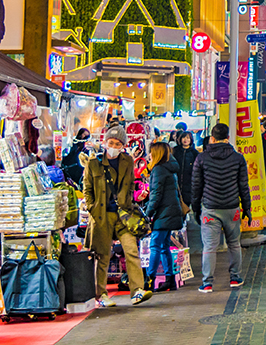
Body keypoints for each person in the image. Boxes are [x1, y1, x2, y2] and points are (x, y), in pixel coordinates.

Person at [82, 125, 150, 306]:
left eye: (117, 143)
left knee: (131, 250)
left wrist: (132, 200)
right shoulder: (93, 163)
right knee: (103, 255)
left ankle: (137, 291)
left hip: (123, 214)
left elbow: (129, 185)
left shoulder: (127, 161)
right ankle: (101, 295)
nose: (113, 146)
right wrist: (92, 208)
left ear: (123, 146)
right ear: (104, 143)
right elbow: (87, 189)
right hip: (102, 215)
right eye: (110, 142)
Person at [191, 122, 251, 293]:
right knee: (234, 243)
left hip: (210, 207)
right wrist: (247, 207)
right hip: (232, 206)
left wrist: (195, 208)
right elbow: (243, 186)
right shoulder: (238, 158)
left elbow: (196, 185)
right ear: (227, 138)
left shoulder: (201, 158)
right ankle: (235, 277)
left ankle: (207, 282)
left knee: (209, 246)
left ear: (212, 137)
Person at [144, 141, 186, 291]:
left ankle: (149, 280)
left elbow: (156, 195)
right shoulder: (170, 168)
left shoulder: (158, 170)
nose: (148, 155)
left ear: (156, 154)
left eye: (150, 152)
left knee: (155, 246)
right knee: (164, 246)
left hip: (163, 213)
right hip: (171, 211)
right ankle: (170, 280)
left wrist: (148, 213)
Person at [172, 132, 199, 214]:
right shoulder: (175, 151)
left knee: (186, 204)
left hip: (189, 184)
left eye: (188, 138)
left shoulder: (194, 153)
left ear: (191, 140)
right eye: (184, 138)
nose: (185, 140)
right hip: (176, 182)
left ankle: (183, 221)